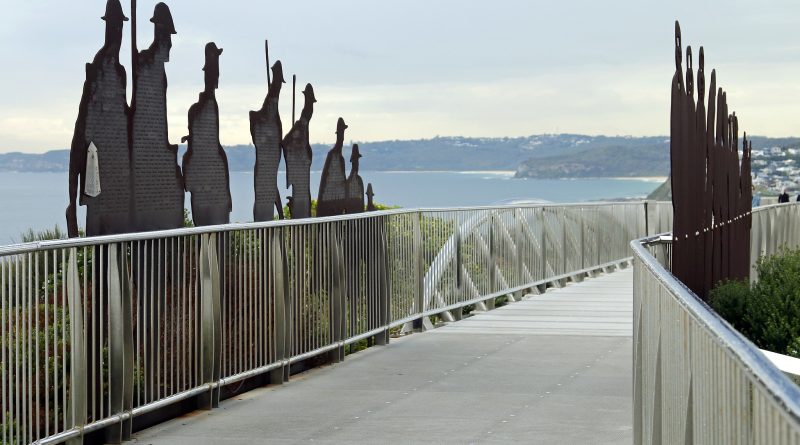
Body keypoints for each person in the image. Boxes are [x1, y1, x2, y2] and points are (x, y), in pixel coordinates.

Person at [67, 0, 132, 237]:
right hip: (98, 177)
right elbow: (83, 126)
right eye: (114, 26)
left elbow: (126, 116)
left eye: (121, 26)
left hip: (118, 173)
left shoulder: (121, 71)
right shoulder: (98, 66)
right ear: (107, 27)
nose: (118, 32)